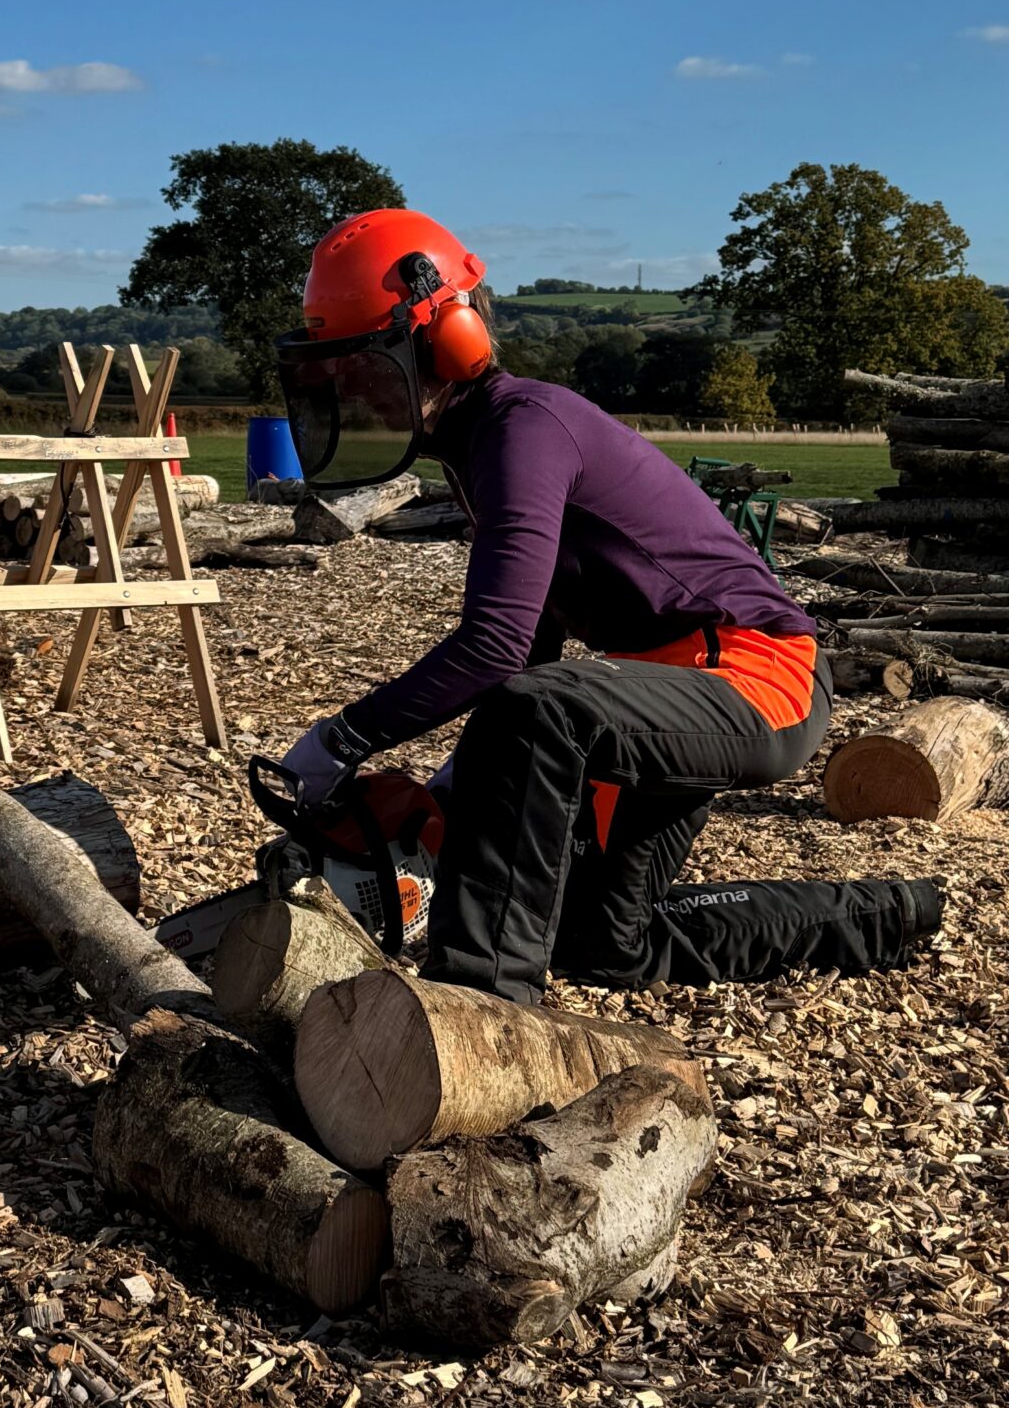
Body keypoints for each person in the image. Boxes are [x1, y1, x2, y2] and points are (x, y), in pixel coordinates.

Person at [274, 209, 941, 1005]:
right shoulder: (480, 445)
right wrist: (457, 786)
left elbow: (494, 650)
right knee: (601, 940)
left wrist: (341, 737)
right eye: (343, 375)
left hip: (755, 676)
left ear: (445, 338)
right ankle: (883, 915)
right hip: (669, 688)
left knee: (537, 716)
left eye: (369, 369)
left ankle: (480, 1002)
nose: (360, 394)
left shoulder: (524, 428)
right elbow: (530, 642)